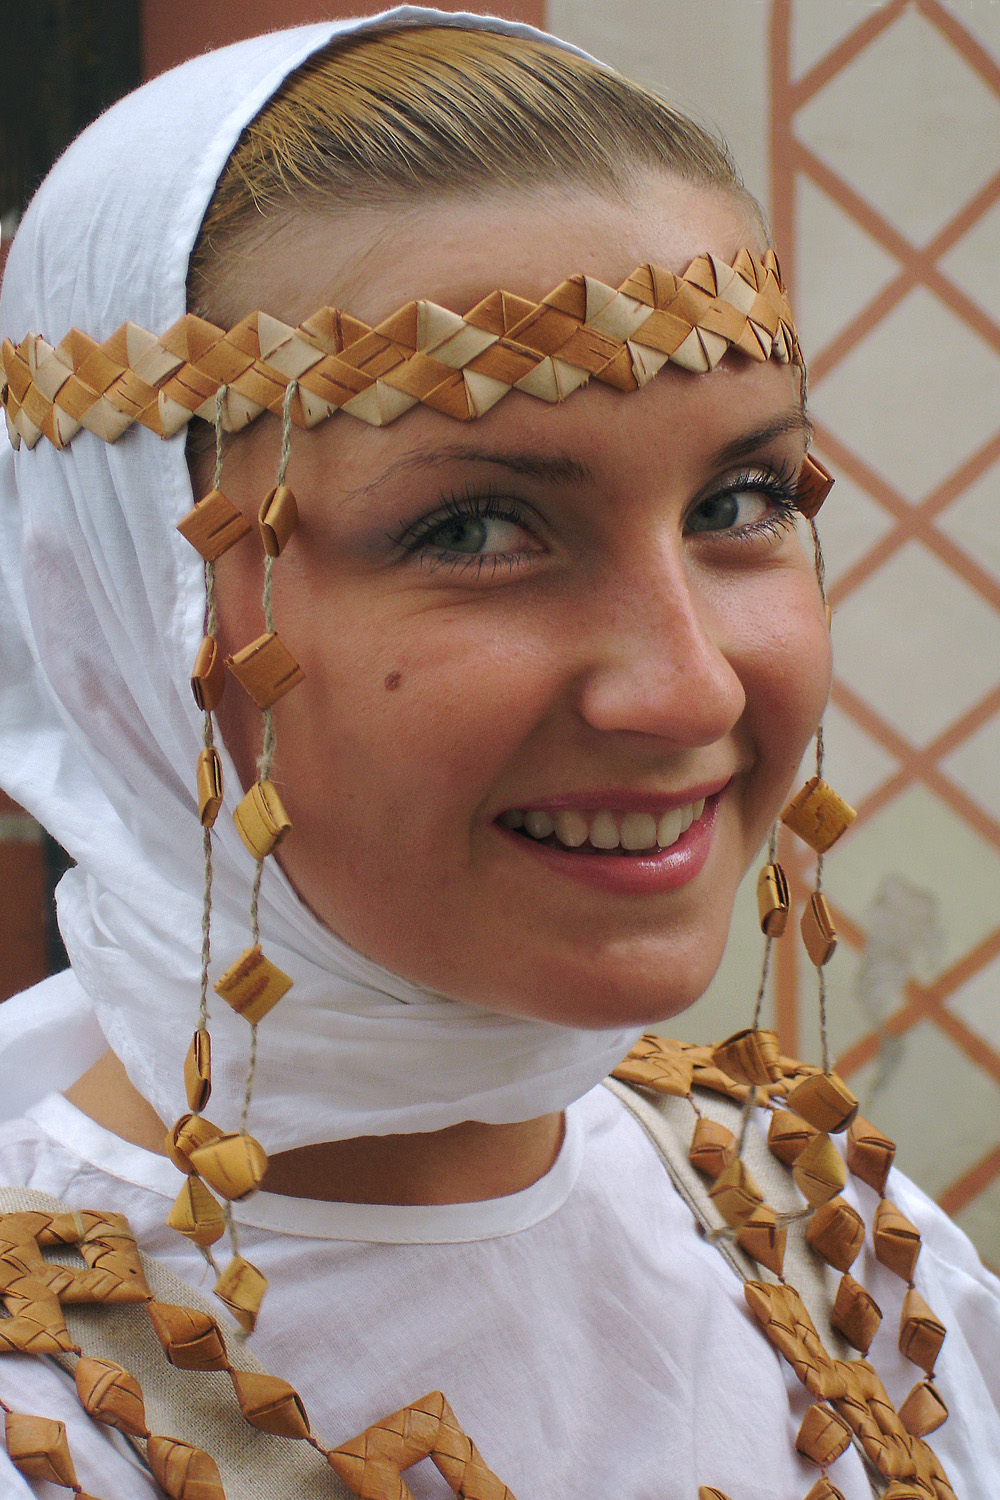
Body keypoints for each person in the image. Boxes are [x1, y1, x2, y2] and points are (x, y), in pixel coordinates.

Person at [0, 8, 997, 1499]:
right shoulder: (55, 1406)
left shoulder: (829, 1237)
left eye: (741, 498)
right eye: (473, 529)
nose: (686, 686)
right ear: (121, 605)